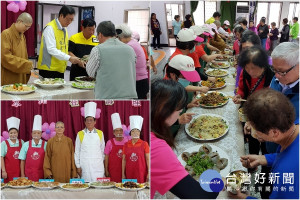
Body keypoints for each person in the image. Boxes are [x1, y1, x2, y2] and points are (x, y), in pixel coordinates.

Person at [151, 79, 219, 199]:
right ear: (166, 110)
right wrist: (219, 180)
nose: (180, 114)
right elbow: (201, 196)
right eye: (179, 110)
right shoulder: (156, 148)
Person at [230, 88, 299, 199]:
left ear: (274, 133)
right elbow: (287, 155)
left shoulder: (286, 172)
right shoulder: (294, 126)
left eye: (255, 129)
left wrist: (245, 198)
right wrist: (264, 159)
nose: (253, 131)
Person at [86, 21, 137, 99]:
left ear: (100, 34)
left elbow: (90, 72)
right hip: (129, 96)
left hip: (107, 97)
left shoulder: (97, 50)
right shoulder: (130, 49)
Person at [265, 42, 299, 154]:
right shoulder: (276, 80)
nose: (276, 75)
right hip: (268, 146)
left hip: (287, 154)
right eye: (274, 69)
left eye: (282, 71)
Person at [38, 5, 81, 78]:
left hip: (60, 69)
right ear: (61, 15)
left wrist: (72, 57)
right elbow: (51, 49)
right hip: (49, 70)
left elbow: (63, 48)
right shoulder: (50, 28)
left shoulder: (64, 29)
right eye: (68, 19)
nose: (70, 22)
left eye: (72, 20)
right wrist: (69, 58)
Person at [116, 24, 149, 99]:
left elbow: (123, 66)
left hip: (137, 82)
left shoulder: (129, 47)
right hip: (140, 81)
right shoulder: (133, 42)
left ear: (120, 37)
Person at [74, 102, 105, 182]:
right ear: (84, 122)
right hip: (85, 165)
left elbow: (102, 150)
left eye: (91, 120)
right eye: (87, 120)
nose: (89, 122)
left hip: (98, 165)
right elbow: (77, 151)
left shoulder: (100, 133)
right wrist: (78, 166)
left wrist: (101, 162)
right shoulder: (80, 134)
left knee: (98, 186)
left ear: (95, 122)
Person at [1, 12, 33, 85]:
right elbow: (5, 57)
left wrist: (27, 67)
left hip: (21, 74)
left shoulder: (22, 36)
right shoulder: (6, 34)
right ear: (19, 21)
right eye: (26, 26)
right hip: (9, 75)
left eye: (29, 27)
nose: (27, 29)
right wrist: (25, 65)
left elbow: (24, 56)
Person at [19, 115, 47, 181]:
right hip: (28, 174)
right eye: (34, 133)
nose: (36, 134)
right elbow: (22, 160)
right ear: (31, 134)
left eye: (38, 133)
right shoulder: (26, 144)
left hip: (42, 174)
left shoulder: (46, 144)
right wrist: (22, 175)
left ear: (41, 134)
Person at [122, 115, 149, 183]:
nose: (135, 133)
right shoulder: (126, 144)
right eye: (133, 131)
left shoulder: (144, 144)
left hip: (141, 172)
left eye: (137, 131)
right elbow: (124, 160)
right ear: (130, 133)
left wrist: (149, 172)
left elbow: (148, 159)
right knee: (129, 188)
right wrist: (123, 174)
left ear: (140, 133)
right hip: (129, 172)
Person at [104, 113, 130, 182]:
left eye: (120, 130)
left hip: (125, 170)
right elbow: (106, 157)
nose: (119, 132)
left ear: (122, 131)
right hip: (113, 170)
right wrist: (106, 170)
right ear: (113, 132)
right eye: (117, 130)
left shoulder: (127, 141)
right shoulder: (109, 142)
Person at [1, 117, 24, 183]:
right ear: (8, 133)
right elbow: (1, 157)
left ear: (17, 133)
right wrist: (3, 171)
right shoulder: (4, 143)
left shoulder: (21, 142)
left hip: (20, 171)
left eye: (15, 133)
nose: (13, 135)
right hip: (8, 172)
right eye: (11, 133)